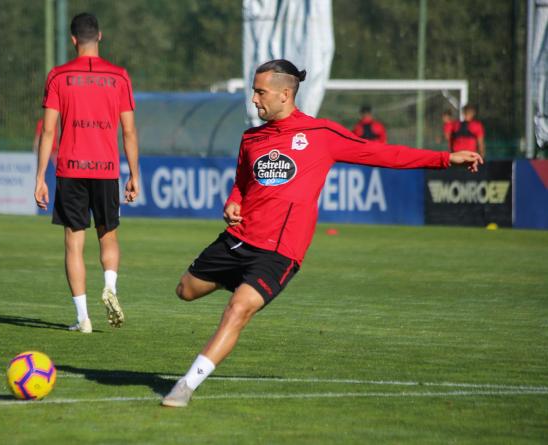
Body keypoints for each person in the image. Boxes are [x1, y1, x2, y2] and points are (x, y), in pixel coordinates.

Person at [161, 59, 483, 408]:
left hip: (280, 251)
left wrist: (443, 158)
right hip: (240, 238)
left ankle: (185, 385)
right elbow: (241, 183)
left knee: (238, 309)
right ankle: (235, 278)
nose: (254, 99)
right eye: (254, 91)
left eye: (260, 92)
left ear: (285, 94)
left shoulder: (321, 135)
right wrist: (233, 202)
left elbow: (382, 153)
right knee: (185, 290)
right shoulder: (251, 138)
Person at [34, 12, 139, 334]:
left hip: (71, 169)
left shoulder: (58, 76)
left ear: (73, 39)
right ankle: (111, 286)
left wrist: (40, 177)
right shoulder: (119, 77)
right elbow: (129, 131)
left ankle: (83, 319)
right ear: (100, 36)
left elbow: (49, 132)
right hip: (107, 170)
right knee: (108, 234)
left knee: (73, 243)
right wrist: (134, 174)